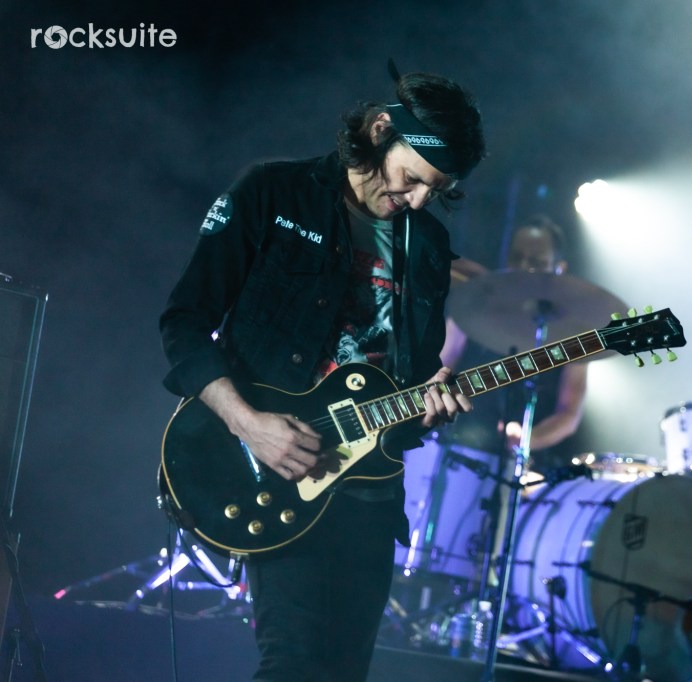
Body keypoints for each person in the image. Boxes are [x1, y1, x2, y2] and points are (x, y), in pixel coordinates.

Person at [159, 67, 486, 681]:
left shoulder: (428, 246)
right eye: (413, 178)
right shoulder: (274, 192)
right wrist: (248, 424)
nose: (418, 200)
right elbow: (184, 322)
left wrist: (430, 402)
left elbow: (412, 382)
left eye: (435, 190)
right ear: (381, 131)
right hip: (276, 470)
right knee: (293, 665)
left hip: (370, 494)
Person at [440, 215, 588, 466]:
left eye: (536, 262)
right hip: (450, 448)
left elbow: (569, 414)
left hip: (520, 465)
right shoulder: (474, 307)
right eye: (516, 258)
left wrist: (528, 439)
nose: (523, 268)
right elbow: (439, 369)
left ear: (559, 268)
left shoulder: (572, 330)